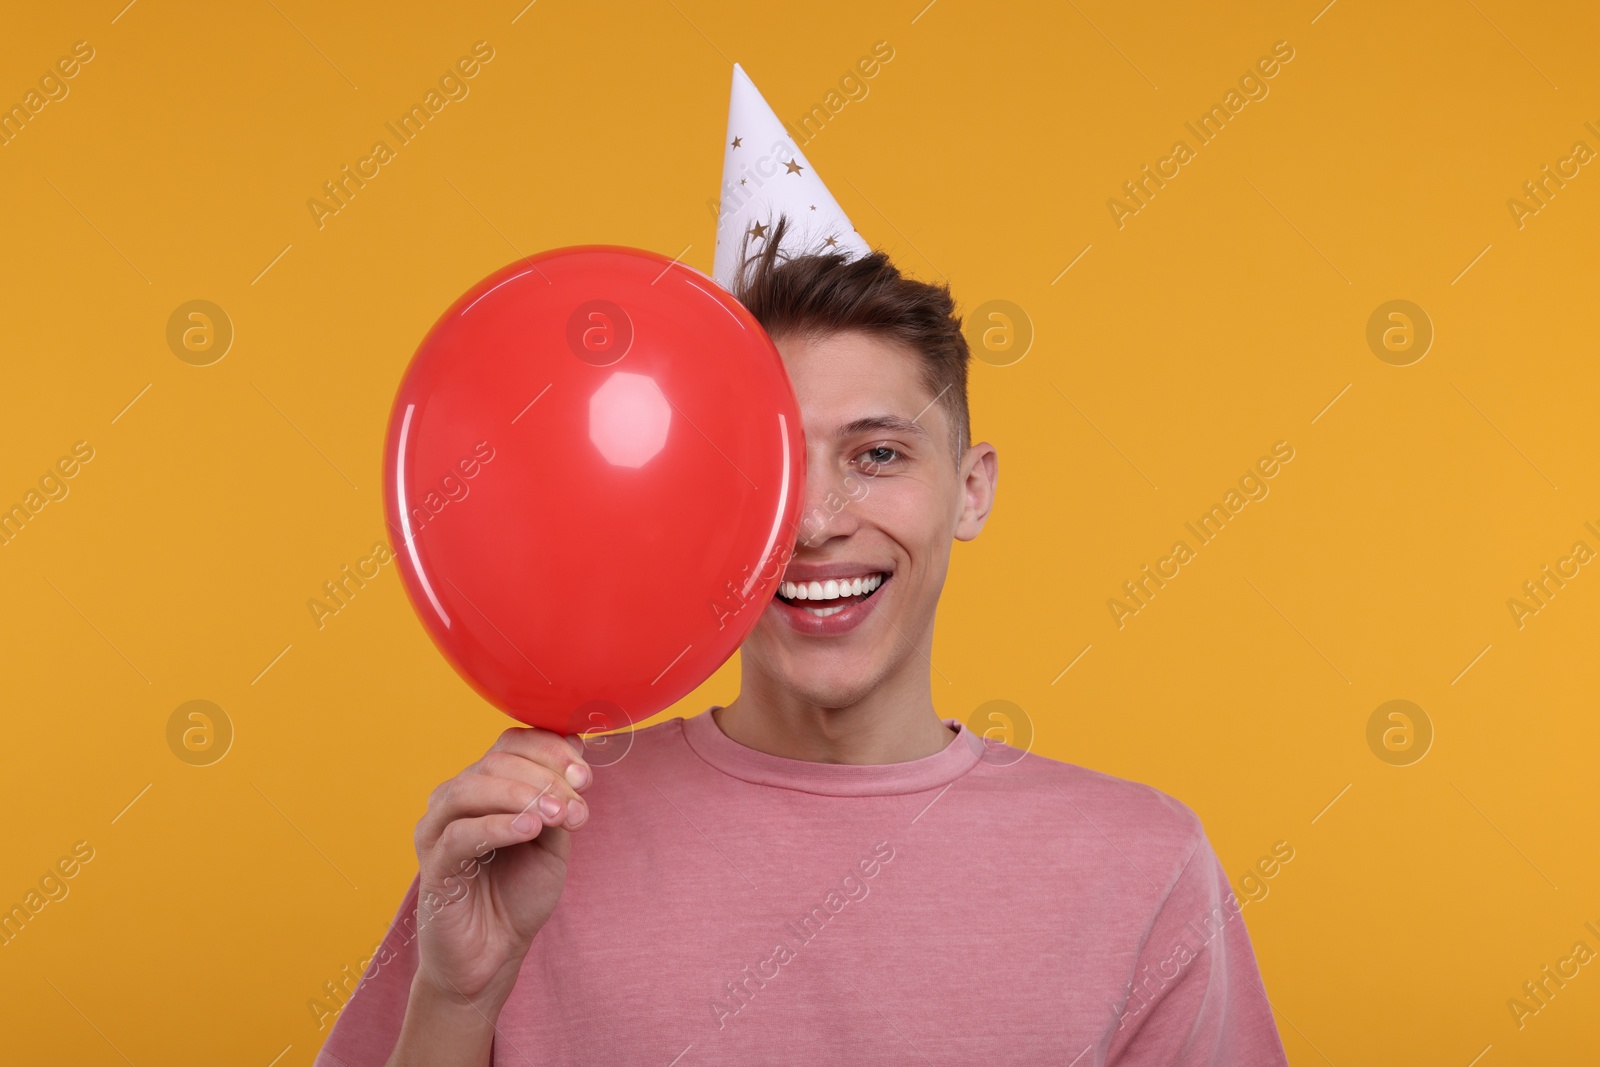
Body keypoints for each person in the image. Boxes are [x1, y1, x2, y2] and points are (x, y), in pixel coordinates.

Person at [311, 215, 1291, 1066]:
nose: (815, 520)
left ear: (972, 486)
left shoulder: (1142, 864)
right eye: (756, 461)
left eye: (877, 454)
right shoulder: (530, 837)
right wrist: (458, 997)